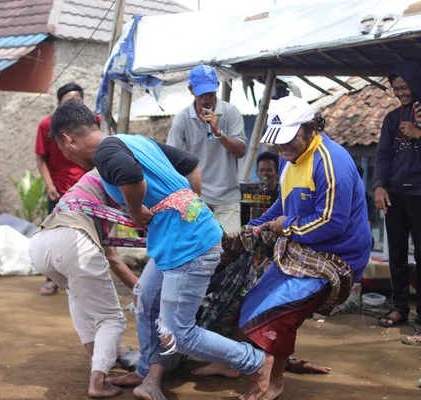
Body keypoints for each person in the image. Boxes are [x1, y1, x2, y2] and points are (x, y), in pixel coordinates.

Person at [50, 99, 274, 400]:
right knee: (144, 297)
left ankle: (257, 362)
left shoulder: (105, 153)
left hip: (189, 246)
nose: (66, 157)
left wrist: (135, 211)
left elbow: (131, 176)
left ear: (67, 139)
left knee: (180, 333)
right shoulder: (132, 140)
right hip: (181, 238)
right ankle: (145, 370)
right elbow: (190, 165)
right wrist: (188, 207)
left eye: (62, 150)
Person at [210, 96, 371, 400]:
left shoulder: (331, 162)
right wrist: (254, 229)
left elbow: (331, 223)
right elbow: (282, 205)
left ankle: (274, 382)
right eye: (279, 145)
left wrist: (284, 226)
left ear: (310, 129)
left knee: (277, 312)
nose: (283, 151)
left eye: (288, 143)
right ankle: (233, 364)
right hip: (301, 244)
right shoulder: (288, 158)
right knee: (253, 301)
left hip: (338, 255)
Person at [29, 169, 137, 398]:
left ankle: (95, 357)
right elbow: (112, 257)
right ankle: (98, 382)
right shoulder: (126, 178)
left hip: (40, 242)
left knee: (76, 293)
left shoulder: (87, 185)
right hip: (73, 241)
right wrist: (140, 289)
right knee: (112, 318)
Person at [34, 82, 101, 296]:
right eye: (68, 102)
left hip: (87, 188)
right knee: (55, 232)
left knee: (92, 233)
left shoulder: (92, 123)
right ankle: (54, 279)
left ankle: (88, 278)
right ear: (58, 104)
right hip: (60, 189)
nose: (73, 106)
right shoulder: (47, 126)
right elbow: (41, 158)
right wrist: (49, 184)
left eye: (77, 102)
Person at [166, 65, 247, 234]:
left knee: (231, 248)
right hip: (195, 198)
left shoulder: (231, 112)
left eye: (210, 92)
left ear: (217, 87)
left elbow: (240, 151)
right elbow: (170, 159)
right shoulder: (182, 119)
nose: (206, 97)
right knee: (198, 249)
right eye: (201, 93)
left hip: (227, 196)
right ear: (191, 90)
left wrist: (219, 134)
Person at [374, 61, 421, 329]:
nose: (401, 92)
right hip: (395, 194)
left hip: (420, 193)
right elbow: (382, 155)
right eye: (396, 88)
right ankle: (400, 307)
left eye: (405, 87)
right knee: (397, 254)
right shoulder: (392, 119)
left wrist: (418, 133)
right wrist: (379, 184)